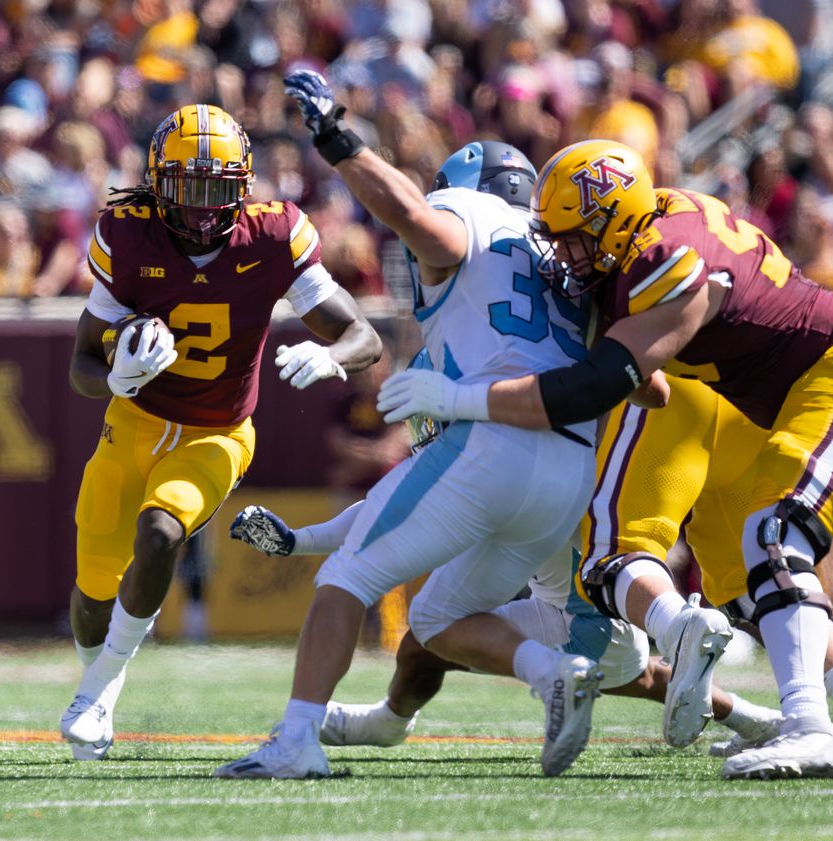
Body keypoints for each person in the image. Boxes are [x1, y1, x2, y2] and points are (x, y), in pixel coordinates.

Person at [378, 138, 833, 780]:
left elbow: (600, 383)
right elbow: (656, 383)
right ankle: (804, 718)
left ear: (615, 221)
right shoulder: (648, 235)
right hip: (773, 401)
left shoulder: (662, 258)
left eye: (573, 237)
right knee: (749, 584)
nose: (562, 253)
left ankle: (812, 727)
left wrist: (462, 396)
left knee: (774, 538)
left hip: (820, 376)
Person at [216, 71, 613, 781]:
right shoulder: (565, 251)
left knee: (347, 579)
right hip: (567, 472)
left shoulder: (467, 215)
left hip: (492, 441)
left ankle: (296, 739)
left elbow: (422, 224)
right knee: (436, 620)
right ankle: (552, 672)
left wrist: (340, 141)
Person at [59, 102, 382, 762]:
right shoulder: (128, 232)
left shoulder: (271, 235)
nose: (206, 208)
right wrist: (117, 379)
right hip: (134, 422)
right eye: (190, 188)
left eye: (219, 189)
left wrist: (329, 356)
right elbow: (82, 365)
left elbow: (364, 336)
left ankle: (100, 691)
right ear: (158, 184)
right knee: (92, 596)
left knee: (160, 531)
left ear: (242, 187)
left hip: (218, 431)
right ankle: (97, 676)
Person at [229, 500, 784, 753]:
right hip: (609, 612)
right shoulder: (551, 446)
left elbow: (387, 513)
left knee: (429, 634)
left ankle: (389, 723)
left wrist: (302, 541)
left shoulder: (493, 468)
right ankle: (761, 720)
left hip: (577, 619)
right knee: (640, 674)